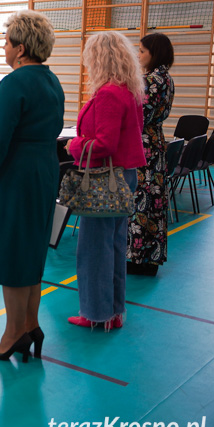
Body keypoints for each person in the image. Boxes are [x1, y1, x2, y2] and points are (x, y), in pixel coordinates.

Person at [0, 10, 65, 362]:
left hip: (16, 174)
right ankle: (29, 324)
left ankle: (12, 334)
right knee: (31, 250)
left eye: (7, 41)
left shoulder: (15, 82)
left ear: (21, 48)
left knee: (11, 253)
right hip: (43, 170)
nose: (4, 47)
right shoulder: (52, 80)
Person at [67, 31, 145, 329]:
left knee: (94, 250)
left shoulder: (109, 94)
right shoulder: (129, 90)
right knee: (112, 246)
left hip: (106, 178)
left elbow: (104, 144)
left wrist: (73, 146)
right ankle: (112, 312)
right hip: (124, 175)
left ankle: (96, 313)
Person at [127, 33, 175, 276]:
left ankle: (137, 258)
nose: (138, 55)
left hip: (143, 147)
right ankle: (149, 258)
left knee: (140, 203)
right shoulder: (167, 79)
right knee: (154, 204)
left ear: (154, 54)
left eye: (142, 51)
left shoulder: (150, 80)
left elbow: (138, 117)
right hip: (156, 144)